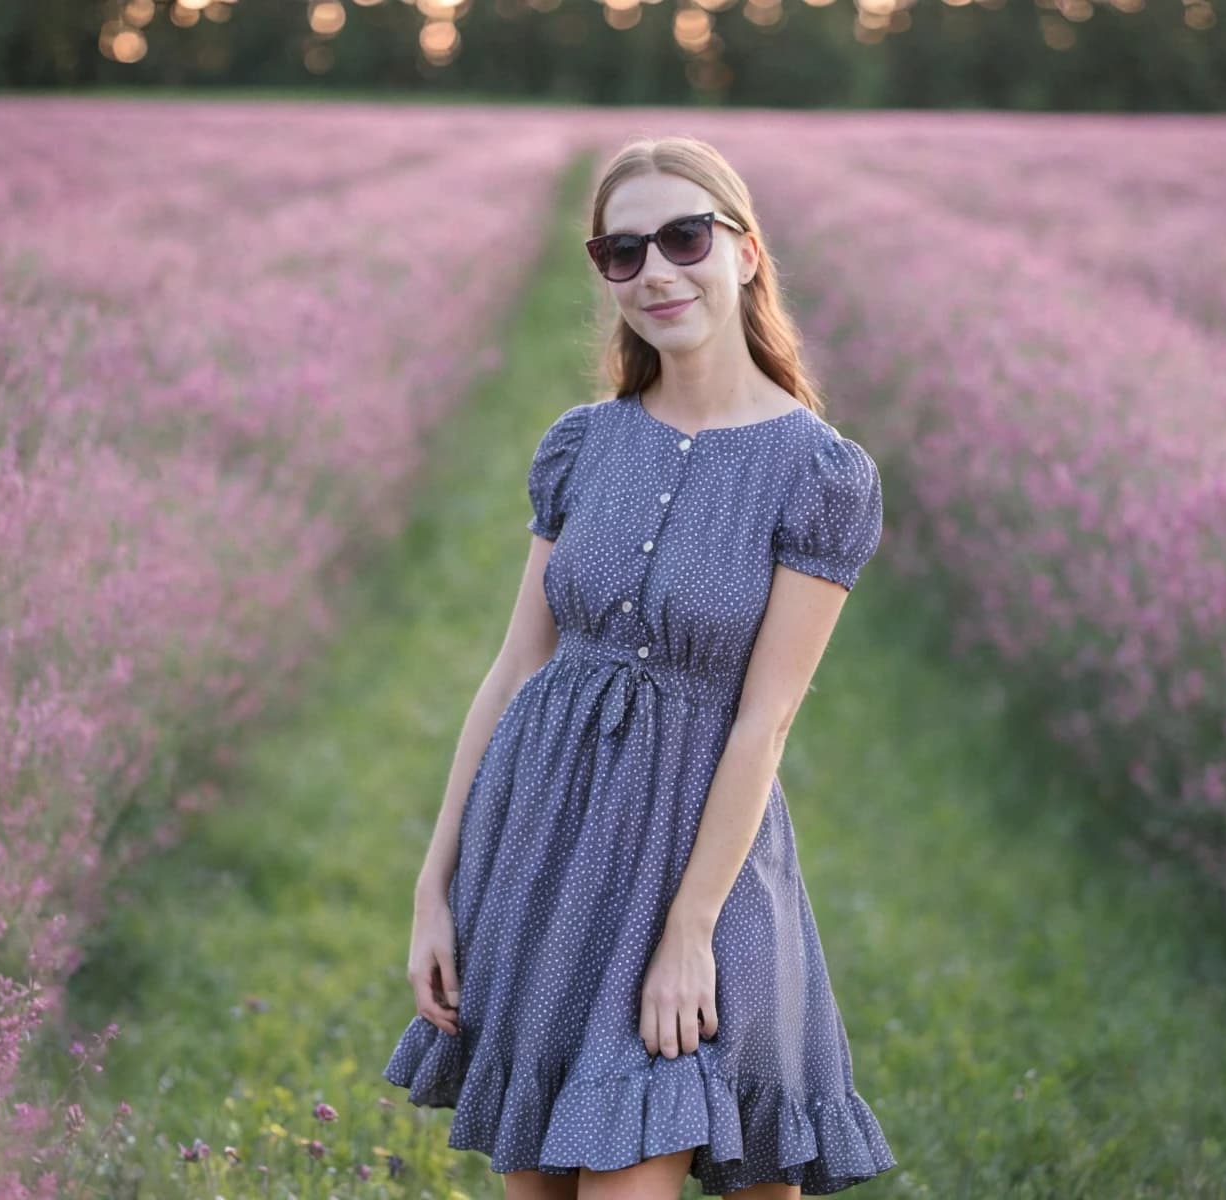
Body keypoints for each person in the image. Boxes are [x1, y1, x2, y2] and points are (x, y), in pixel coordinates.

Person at [383, 134, 896, 1200]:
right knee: (541, 1184)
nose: (654, 271)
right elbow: (516, 666)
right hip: (540, 853)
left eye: (682, 237)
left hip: (692, 865)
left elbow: (764, 725)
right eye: (621, 252)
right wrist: (436, 887)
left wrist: (687, 933)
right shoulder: (582, 444)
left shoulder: (819, 475)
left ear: (745, 252)